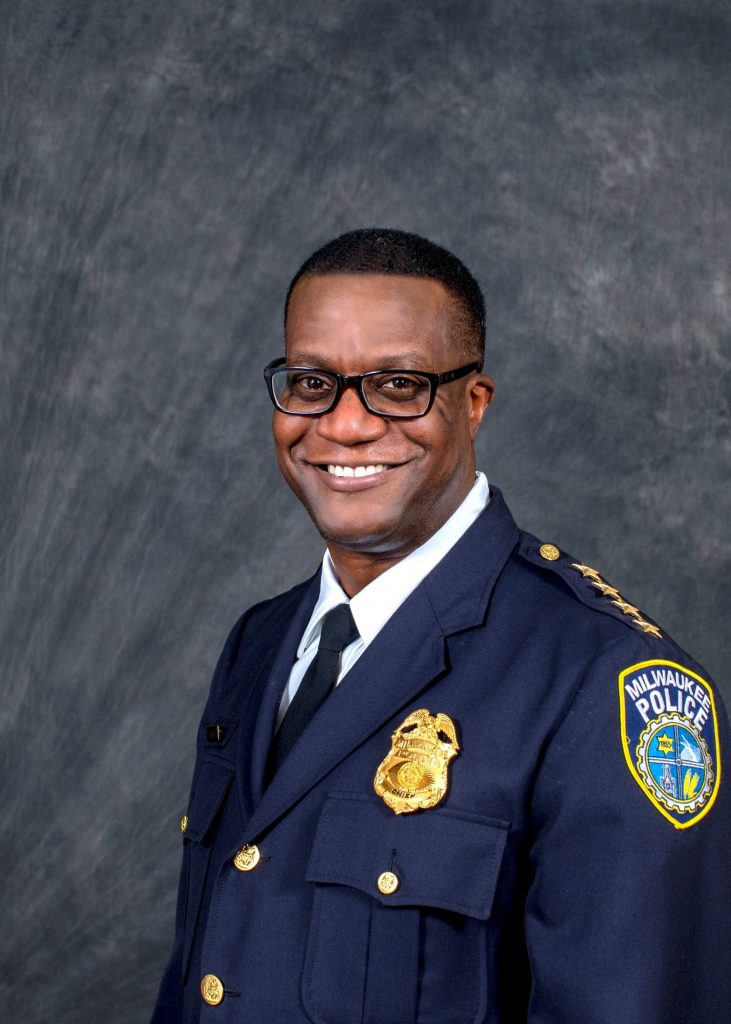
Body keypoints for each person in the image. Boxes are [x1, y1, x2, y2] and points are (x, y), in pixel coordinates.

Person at [151, 229, 730, 1024]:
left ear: (473, 402)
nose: (344, 425)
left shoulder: (604, 682)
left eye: (396, 385)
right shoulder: (261, 643)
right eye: (311, 382)